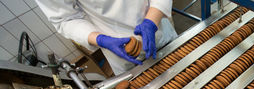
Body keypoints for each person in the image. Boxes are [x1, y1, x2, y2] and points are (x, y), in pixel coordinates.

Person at [36, 0, 178, 75]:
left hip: (158, 23)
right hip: (119, 47)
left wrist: (151, 21)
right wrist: (100, 39)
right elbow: (65, 20)